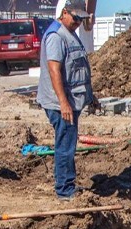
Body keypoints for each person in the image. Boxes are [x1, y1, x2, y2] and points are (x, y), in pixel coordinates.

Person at [37, 0, 96, 201]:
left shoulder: (69, 34)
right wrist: (63, 102)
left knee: (68, 143)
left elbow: (77, 69)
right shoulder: (56, 36)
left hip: (71, 101)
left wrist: (90, 96)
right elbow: (55, 71)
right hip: (61, 104)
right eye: (75, 17)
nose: (78, 22)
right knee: (65, 146)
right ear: (64, 13)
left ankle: (67, 184)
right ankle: (64, 190)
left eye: (81, 19)